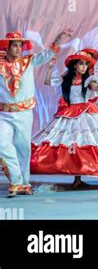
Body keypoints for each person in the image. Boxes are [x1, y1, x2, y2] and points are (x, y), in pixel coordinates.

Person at [31, 50, 98, 186]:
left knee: (84, 143)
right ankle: (75, 177)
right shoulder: (66, 79)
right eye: (81, 64)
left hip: (86, 114)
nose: (84, 67)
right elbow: (47, 82)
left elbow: (97, 89)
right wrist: (50, 67)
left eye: (85, 64)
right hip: (70, 114)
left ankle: (79, 178)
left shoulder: (87, 80)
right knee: (70, 143)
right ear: (74, 66)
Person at [0, 29, 72, 197]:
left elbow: (47, 55)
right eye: (15, 45)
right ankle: (16, 180)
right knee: (2, 143)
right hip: (4, 113)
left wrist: (58, 40)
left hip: (24, 112)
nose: (18, 48)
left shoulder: (28, 61)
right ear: (7, 47)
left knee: (23, 147)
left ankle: (23, 183)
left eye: (20, 45)